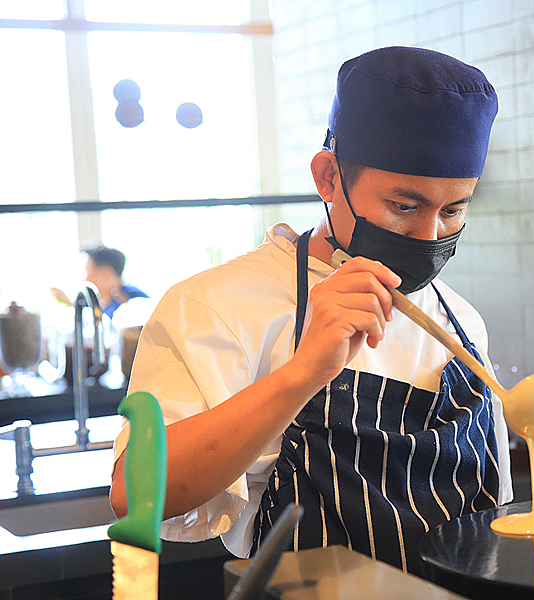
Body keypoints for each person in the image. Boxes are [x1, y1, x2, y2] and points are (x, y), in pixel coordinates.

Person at [109, 46, 513, 574]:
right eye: (405, 206)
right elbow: (136, 495)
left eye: (454, 210)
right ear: (328, 179)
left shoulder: (460, 319)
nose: (429, 235)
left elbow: (499, 514)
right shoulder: (217, 305)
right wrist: (305, 372)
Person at [51, 245, 149, 318]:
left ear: (106, 273)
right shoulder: (91, 302)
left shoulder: (134, 300)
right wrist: (70, 304)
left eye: (87, 272)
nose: (84, 278)